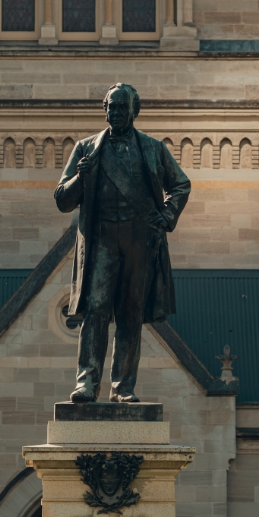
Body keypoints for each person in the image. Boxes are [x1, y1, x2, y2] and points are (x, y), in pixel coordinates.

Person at [53, 82, 191, 402]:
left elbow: (181, 185)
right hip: (101, 239)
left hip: (138, 240)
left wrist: (167, 216)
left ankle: (122, 387)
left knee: (131, 314)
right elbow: (62, 199)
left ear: (133, 111)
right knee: (96, 311)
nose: (113, 113)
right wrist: (79, 177)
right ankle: (86, 383)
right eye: (110, 108)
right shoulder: (86, 148)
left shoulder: (153, 149)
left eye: (120, 108)